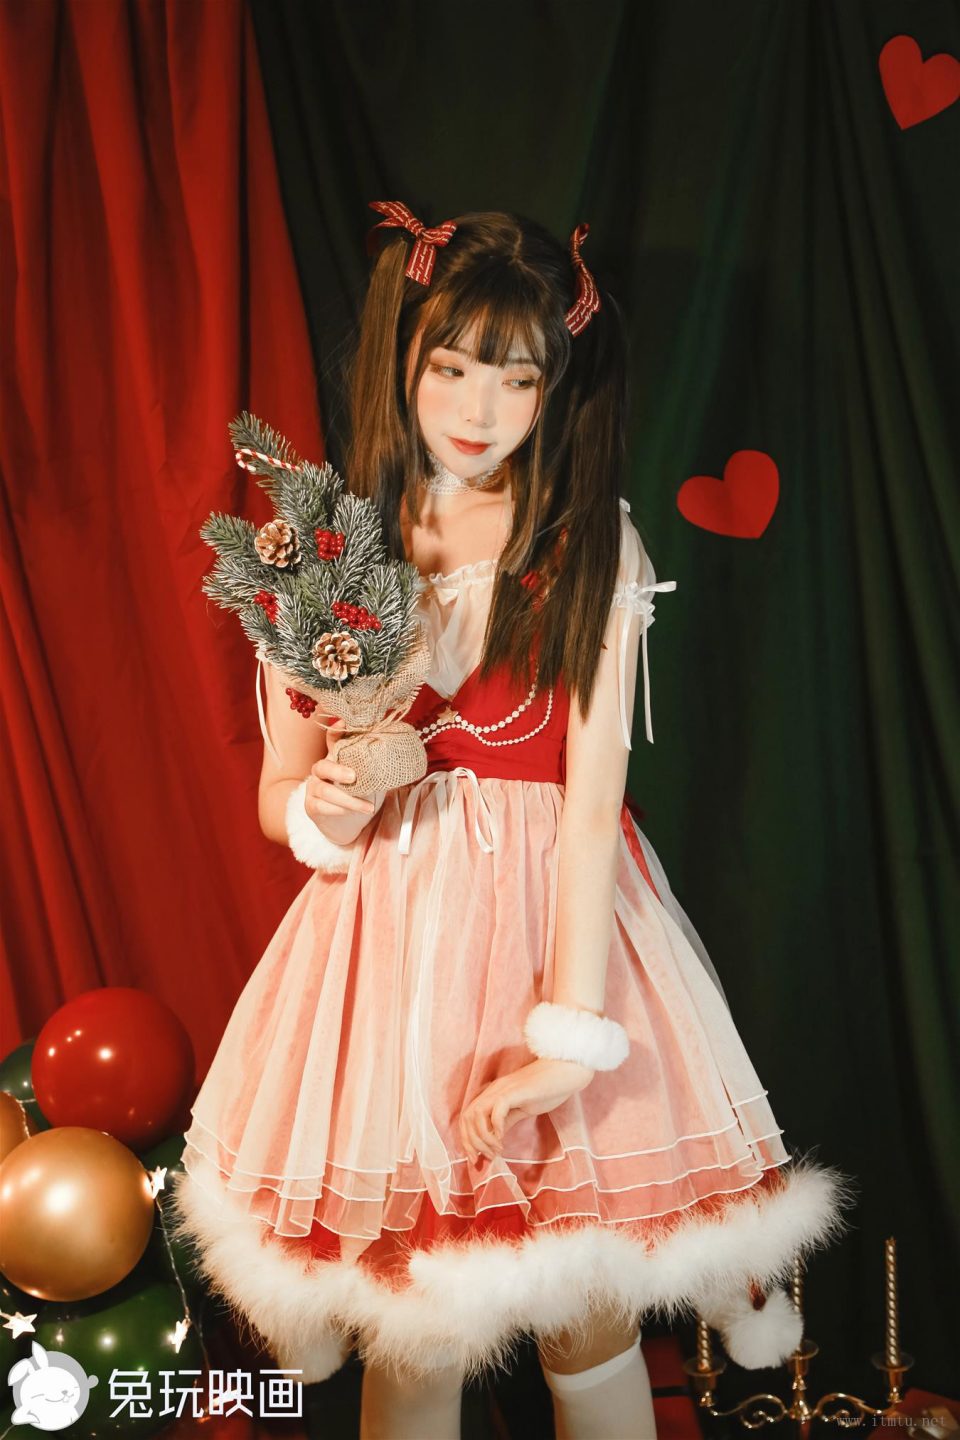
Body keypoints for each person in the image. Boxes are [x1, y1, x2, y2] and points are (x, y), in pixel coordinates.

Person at [170, 203, 854, 1440]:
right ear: (407, 361)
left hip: (555, 945)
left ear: (556, 388)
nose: (479, 408)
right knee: (417, 1317)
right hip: (386, 966)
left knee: (584, 1315)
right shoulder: (328, 549)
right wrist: (326, 805)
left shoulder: (588, 542)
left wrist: (567, 1043)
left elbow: (593, 817)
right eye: (452, 367)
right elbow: (282, 795)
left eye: (518, 377)